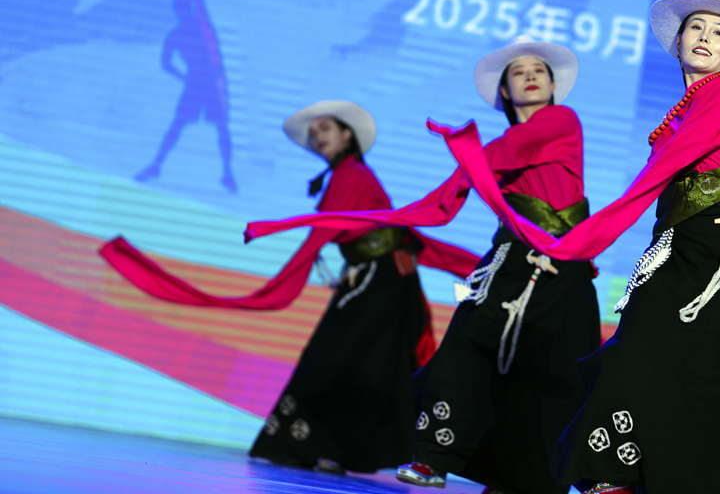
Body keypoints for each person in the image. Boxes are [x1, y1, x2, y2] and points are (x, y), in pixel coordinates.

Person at [394, 0, 720, 494]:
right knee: (647, 355)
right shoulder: (684, 109)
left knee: (682, 364)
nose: (704, 37)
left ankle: (617, 475)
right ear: (678, 41)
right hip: (679, 245)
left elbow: (671, 166)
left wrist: (585, 237)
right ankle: (615, 475)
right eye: (696, 28)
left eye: (718, 33)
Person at [244, 37, 603, 494]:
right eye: (518, 72)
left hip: (562, 266)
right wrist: (460, 169)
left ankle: (529, 477)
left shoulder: (560, 121)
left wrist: (465, 153)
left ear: (552, 86)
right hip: (513, 258)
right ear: (505, 92)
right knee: (465, 349)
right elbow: (447, 200)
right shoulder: (494, 151)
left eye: (538, 71)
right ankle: (434, 457)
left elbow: (506, 153)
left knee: (550, 373)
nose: (530, 76)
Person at [101, 100, 479, 474]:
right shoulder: (348, 174)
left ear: (347, 135)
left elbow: (329, 234)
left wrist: (281, 283)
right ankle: (339, 449)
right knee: (361, 363)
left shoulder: (352, 175)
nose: (318, 137)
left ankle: (320, 445)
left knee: (342, 359)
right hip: (378, 278)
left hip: (382, 281)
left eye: (325, 128)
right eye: (313, 133)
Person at [135, 0, 237, 192]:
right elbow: (165, 63)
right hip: (203, 80)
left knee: (217, 127)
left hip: (208, 81)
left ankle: (227, 173)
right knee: (188, 125)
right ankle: (158, 165)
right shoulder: (184, 30)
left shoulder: (193, 26)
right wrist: (184, 77)